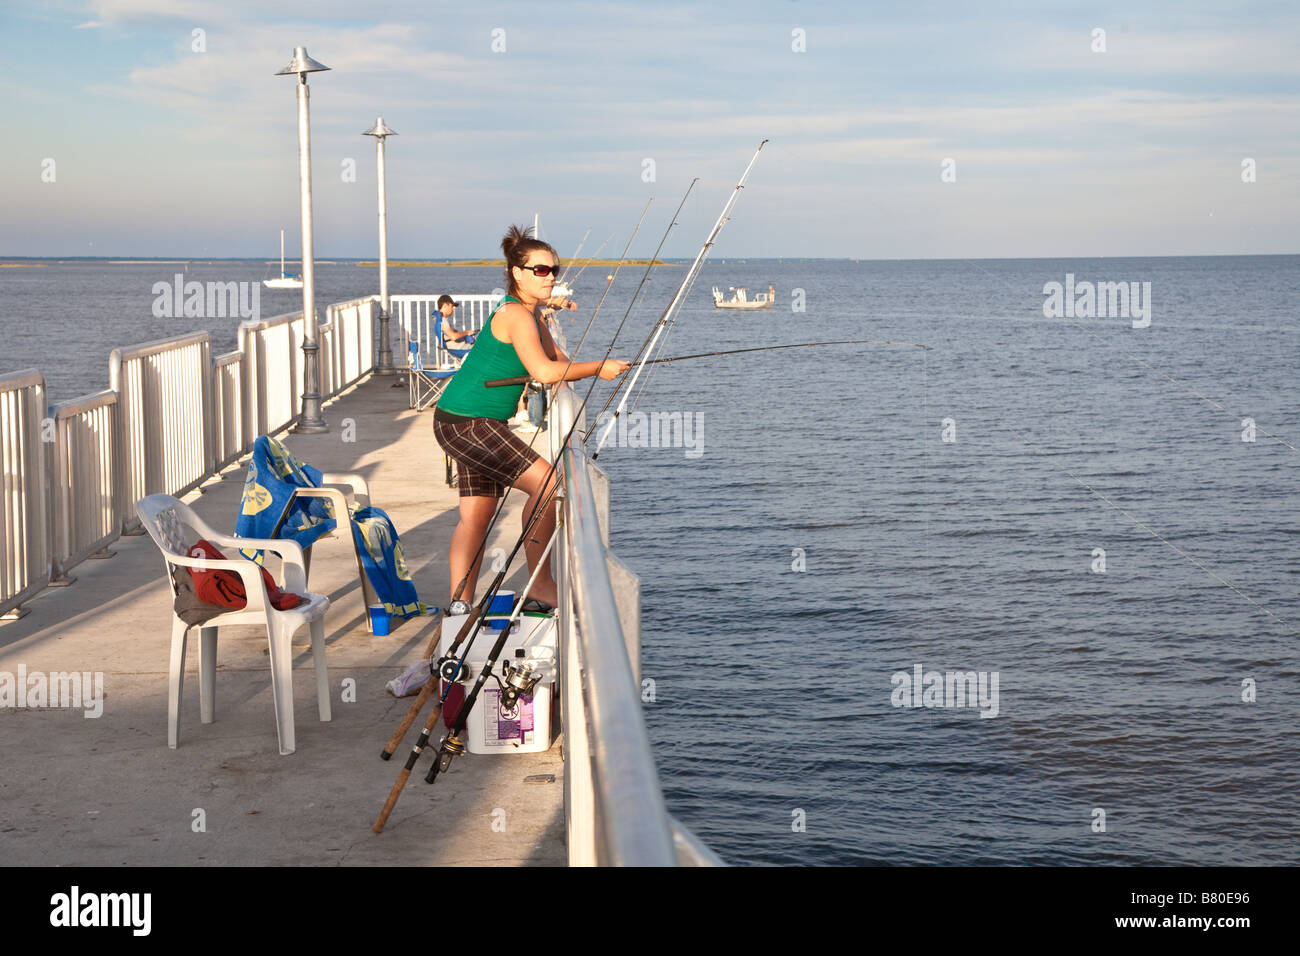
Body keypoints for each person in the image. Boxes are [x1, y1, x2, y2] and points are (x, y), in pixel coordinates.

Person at [433, 225, 629, 613]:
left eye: (554, 269)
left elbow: (560, 364)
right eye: (540, 270)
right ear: (516, 273)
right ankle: (539, 584)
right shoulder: (515, 315)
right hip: (467, 423)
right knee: (548, 485)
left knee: (477, 514)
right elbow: (543, 372)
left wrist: (598, 366)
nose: (550, 276)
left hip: (466, 420)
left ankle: (460, 606)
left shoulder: (532, 315)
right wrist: (597, 369)